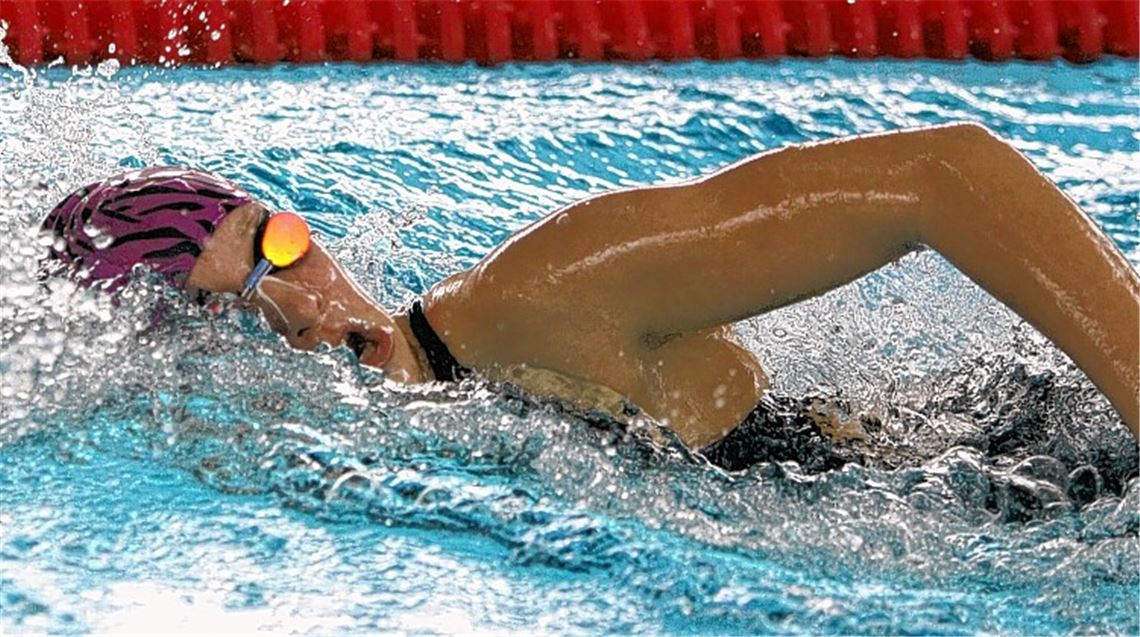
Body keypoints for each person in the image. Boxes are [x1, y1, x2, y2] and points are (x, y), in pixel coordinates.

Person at [40, 123, 1140, 470]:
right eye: (231, 306)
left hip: (1051, 460)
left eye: (278, 243)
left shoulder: (532, 294)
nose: (304, 306)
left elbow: (943, 174)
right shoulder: (413, 459)